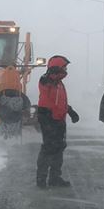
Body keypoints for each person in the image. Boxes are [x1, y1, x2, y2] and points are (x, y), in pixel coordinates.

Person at [35, 55, 80, 188]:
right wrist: (53, 73)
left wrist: (70, 111)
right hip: (48, 118)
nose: (66, 70)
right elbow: (46, 86)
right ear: (57, 67)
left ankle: (55, 177)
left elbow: (61, 102)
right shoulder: (46, 79)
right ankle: (41, 178)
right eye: (64, 67)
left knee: (59, 148)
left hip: (59, 119)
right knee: (48, 148)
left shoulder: (60, 83)